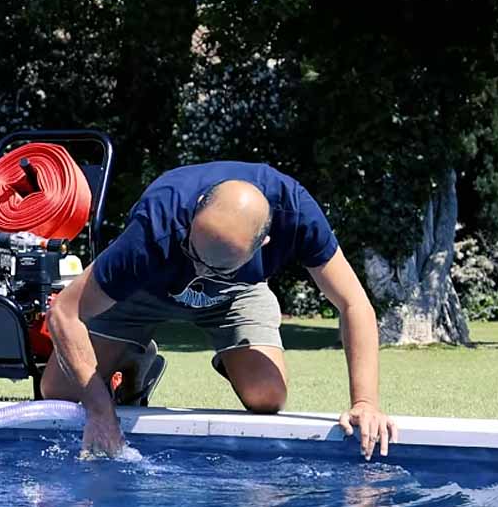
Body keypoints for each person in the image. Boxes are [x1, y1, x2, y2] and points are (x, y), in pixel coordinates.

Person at [44, 161, 398, 459]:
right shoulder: (156, 223)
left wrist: (365, 401)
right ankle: (134, 362)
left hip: (234, 294)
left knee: (267, 396)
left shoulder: (297, 214)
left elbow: (354, 302)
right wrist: (99, 407)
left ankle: (233, 353)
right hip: (143, 289)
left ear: (264, 244)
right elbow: (64, 311)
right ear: (195, 212)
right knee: (59, 391)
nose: (199, 273)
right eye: (194, 254)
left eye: (213, 267)